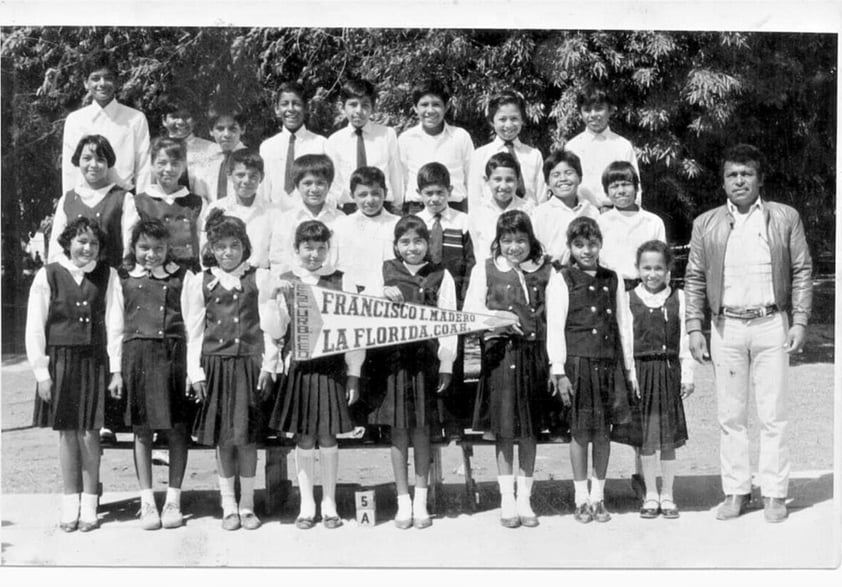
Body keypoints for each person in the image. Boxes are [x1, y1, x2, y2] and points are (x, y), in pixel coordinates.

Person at [684, 143, 813, 523]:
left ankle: (774, 493)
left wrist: (801, 321)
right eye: (732, 175)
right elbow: (693, 278)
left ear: (759, 179)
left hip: (771, 322)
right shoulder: (705, 224)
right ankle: (737, 491)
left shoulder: (784, 218)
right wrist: (695, 327)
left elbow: (803, 270)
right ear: (723, 182)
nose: (739, 181)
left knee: (773, 414)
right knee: (731, 416)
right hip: (726, 326)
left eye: (746, 174)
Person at [463, 209, 565, 528]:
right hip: (500, 358)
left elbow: (556, 320)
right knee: (505, 430)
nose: (514, 247)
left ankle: (526, 499)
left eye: (520, 240)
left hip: (534, 358)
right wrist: (498, 322)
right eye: (507, 240)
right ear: (498, 241)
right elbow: (470, 313)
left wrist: (555, 365)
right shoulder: (486, 269)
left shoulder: (547, 271)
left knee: (530, 431)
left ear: (530, 239)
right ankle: (507, 499)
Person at [183, 210, 284, 531]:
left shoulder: (260, 278)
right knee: (224, 440)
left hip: (250, 366)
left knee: (248, 438)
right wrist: (195, 373)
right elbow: (194, 332)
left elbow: (271, 329)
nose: (227, 252)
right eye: (220, 246)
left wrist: (269, 365)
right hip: (215, 367)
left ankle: (247, 505)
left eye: (234, 245)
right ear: (211, 248)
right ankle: (228, 505)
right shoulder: (201, 281)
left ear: (245, 246)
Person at [26, 217, 121, 532]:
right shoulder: (48, 274)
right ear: (68, 243)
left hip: (94, 362)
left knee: (90, 433)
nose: (87, 248)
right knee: (67, 433)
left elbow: (115, 325)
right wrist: (42, 372)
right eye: (82, 241)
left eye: (93, 243)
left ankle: (90, 503)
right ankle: (70, 502)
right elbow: (35, 327)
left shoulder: (108, 275)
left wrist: (116, 369)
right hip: (61, 362)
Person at [269, 220, 363, 530]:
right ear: (296, 249)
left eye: (321, 248)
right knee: (305, 436)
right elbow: (275, 330)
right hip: (300, 370)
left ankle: (330, 503)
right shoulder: (285, 281)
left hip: (331, 369)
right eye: (308, 247)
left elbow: (353, 333)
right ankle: (306, 504)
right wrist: (275, 300)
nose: (314, 253)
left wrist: (353, 374)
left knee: (327, 435)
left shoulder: (339, 281)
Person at [366, 215, 457, 529]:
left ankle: (421, 501)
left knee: (422, 431)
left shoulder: (441, 275)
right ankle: (402, 501)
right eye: (405, 241)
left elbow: (449, 322)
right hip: (394, 363)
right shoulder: (384, 272)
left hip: (425, 362)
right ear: (395, 245)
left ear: (428, 244)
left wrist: (447, 363)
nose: (412, 247)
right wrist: (380, 295)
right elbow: (361, 306)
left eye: (418, 241)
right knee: (399, 431)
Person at [549, 216, 636, 524]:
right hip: (578, 364)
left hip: (608, 364)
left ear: (601, 244)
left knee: (603, 433)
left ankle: (598, 497)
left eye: (592, 244)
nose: (587, 250)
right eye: (579, 245)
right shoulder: (562, 278)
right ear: (570, 247)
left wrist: (629, 371)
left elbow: (624, 326)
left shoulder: (614, 278)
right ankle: (580, 498)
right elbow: (556, 327)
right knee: (580, 432)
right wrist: (558, 370)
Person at [109, 219, 192, 530]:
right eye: (144, 247)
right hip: (136, 358)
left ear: (169, 248)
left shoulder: (182, 277)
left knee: (177, 429)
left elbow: (193, 325)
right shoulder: (123, 278)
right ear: (133, 248)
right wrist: (116, 371)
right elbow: (115, 326)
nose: (151, 254)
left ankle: (173, 500)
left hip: (173, 357)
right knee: (142, 430)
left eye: (159, 248)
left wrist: (192, 370)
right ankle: (147, 502)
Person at [610, 240, 695, 519]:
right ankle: (650, 494)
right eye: (646, 268)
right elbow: (625, 338)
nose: (652, 274)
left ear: (669, 269)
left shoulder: (678, 297)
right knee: (647, 439)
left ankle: (668, 494)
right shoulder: (629, 297)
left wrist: (688, 373)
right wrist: (630, 375)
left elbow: (684, 340)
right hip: (642, 374)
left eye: (659, 268)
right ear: (638, 269)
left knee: (667, 439)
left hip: (668, 372)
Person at [414, 162, 475, 437]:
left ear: (450, 190)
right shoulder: (416, 223)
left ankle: (453, 422)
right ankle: (430, 421)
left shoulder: (463, 221)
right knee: (429, 358)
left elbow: (470, 262)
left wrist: (465, 298)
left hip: (455, 300)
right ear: (419, 194)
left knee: (455, 358)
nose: (435, 199)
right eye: (428, 193)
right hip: (426, 301)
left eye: (440, 192)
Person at [61, 52, 151, 195]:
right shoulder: (75, 120)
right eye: (95, 78)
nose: (102, 84)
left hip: (124, 199)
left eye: (108, 78)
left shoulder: (135, 119)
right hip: (86, 201)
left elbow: (144, 167)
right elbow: (69, 171)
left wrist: (143, 206)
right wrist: (69, 206)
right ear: (86, 83)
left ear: (117, 81)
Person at [49, 134, 139, 268]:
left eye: (100, 159)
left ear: (108, 163)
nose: (93, 165)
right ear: (78, 161)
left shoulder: (123, 199)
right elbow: (56, 250)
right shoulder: (67, 200)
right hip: (73, 280)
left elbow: (129, 244)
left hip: (112, 280)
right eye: (87, 158)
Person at [325, 78, 403, 213]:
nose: (359, 111)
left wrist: (397, 205)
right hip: (349, 209)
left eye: (365, 105)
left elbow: (395, 172)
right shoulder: (335, 141)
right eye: (353, 105)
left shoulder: (386, 135)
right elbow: (334, 181)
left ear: (373, 107)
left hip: (383, 208)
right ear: (342, 107)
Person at [398, 79, 474, 213]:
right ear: (415, 108)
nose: (430, 110)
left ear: (446, 106)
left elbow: (472, 179)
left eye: (436, 104)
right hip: (418, 210)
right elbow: (401, 179)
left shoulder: (460, 137)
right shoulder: (406, 139)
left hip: (455, 211)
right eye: (424, 105)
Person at [565, 86, 642, 211]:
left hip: (618, 213)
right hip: (583, 213)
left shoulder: (622, 145)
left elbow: (635, 188)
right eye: (587, 110)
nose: (593, 115)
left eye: (599, 109)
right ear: (580, 113)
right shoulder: (573, 147)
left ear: (610, 110)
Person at [135, 137, 206, 272]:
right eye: (162, 163)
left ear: (184, 166)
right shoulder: (138, 203)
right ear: (152, 165)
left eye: (175, 163)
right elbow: (131, 246)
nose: (168, 169)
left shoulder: (197, 203)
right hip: (152, 276)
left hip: (188, 275)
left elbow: (204, 244)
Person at [466, 90, 545, 210]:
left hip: (528, 221)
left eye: (514, 119)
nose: (508, 125)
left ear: (522, 120)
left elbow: (541, 197)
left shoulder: (534, 155)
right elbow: (475, 200)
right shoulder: (480, 155)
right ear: (492, 121)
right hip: (491, 221)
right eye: (502, 119)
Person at [268, 154, 345, 277]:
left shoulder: (341, 220)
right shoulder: (286, 220)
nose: (314, 189)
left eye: (320, 183)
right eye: (307, 183)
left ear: (329, 185)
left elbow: (345, 260)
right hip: (294, 286)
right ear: (297, 185)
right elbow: (278, 260)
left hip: (332, 287)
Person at [258, 82, 328, 210]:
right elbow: (263, 189)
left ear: (306, 107)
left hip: (310, 216)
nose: (290, 109)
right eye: (285, 104)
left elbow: (331, 186)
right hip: (276, 215)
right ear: (277, 109)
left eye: (296, 104)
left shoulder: (321, 144)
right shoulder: (267, 147)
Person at [597, 161, 665, 290]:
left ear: (637, 188)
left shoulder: (653, 222)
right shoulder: (601, 222)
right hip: (609, 286)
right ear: (606, 192)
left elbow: (662, 260)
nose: (621, 191)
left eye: (626, 185)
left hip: (644, 287)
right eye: (614, 186)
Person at [332, 166, 400, 294]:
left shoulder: (396, 224)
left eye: (375, 193)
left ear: (385, 193)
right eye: (363, 195)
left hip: (384, 293)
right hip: (348, 293)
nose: (370, 200)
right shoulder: (341, 225)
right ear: (352, 195)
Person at [200, 149, 271, 269]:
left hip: (261, 279)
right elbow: (205, 250)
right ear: (229, 175)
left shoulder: (273, 212)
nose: (246, 181)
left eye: (253, 176)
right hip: (222, 279)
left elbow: (278, 256)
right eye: (240, 175)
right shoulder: (217, 208)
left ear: (262, 177)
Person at [531, 150, 599, 263]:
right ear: (547, 183)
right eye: (556, 175)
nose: (563, 179)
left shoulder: (592, 212)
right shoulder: (540, 214)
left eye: (569, 173)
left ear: (580, 178)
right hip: (552, 274)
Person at [468, 152, 531, 264]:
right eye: (497, 179)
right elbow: (476, 250)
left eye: (509, 180)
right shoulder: (477, 214)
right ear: (487, 181)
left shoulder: (529, 210)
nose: (503, 186)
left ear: (518, 181)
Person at [191, 102, 249, 203]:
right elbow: (201, 201)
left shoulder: (252, 161)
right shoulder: (203, 164)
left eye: (232, 128)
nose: (226, 134)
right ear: (211, 130)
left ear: (243, 129)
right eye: (220, 128)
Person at [159, 99, 218, 191]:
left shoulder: (212, 151)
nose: (181, 122)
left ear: (194, 119)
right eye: (175, 117)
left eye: (186, 117)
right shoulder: (153, 151)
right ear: (164, 120)